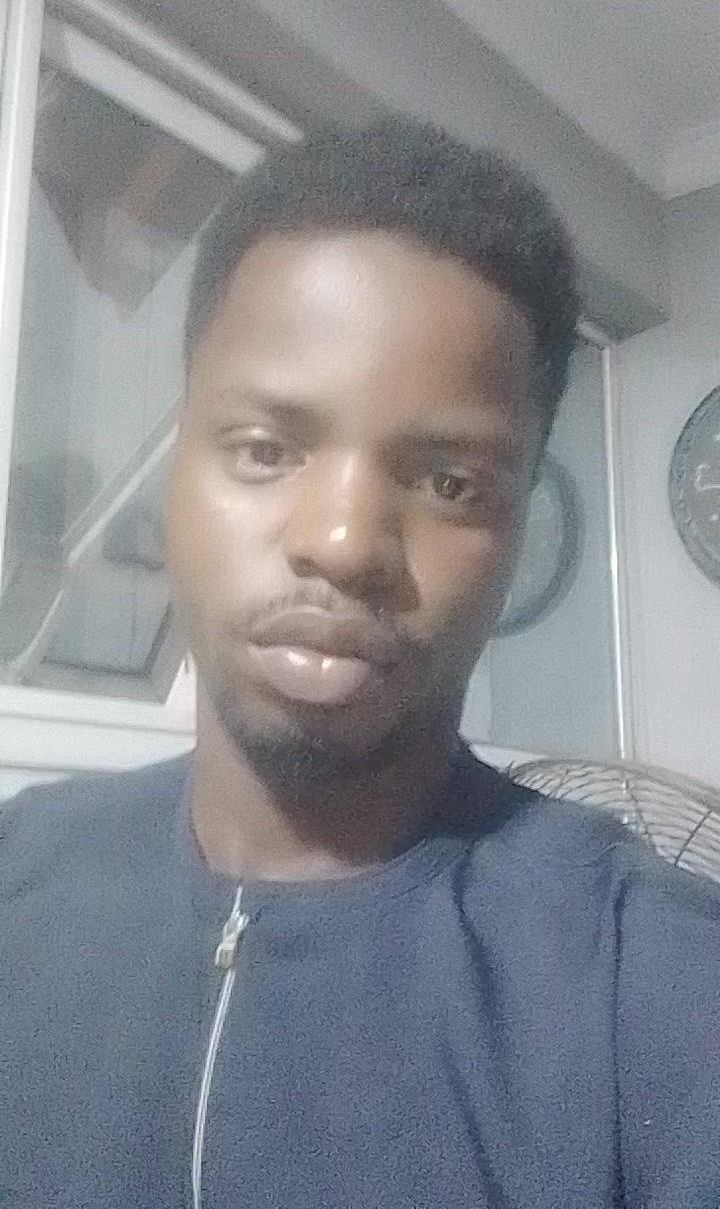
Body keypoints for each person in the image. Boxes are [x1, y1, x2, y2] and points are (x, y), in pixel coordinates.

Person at [1, 117, 718, 1209]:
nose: (342, 543)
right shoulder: (20, 872)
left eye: (448, 483)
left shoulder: (651, 987)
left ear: (517, 528)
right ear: (176, 461)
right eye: (265, 449)